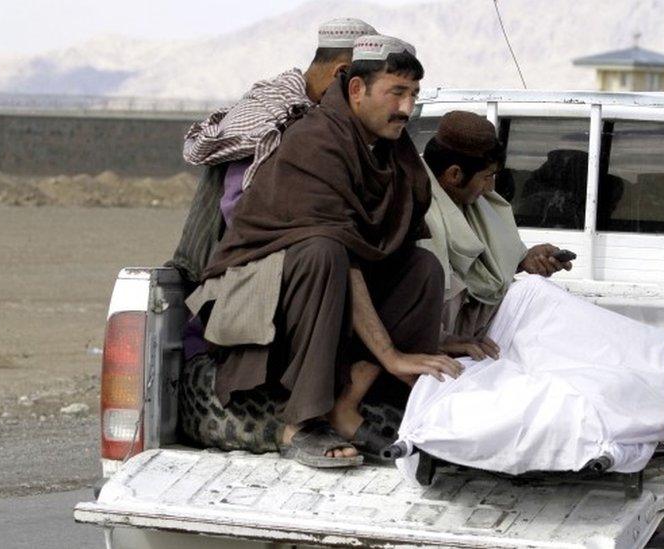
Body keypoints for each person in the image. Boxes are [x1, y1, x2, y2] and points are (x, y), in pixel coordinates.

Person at [185, 35, 461, 468]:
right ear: (357, 89)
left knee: (421, 267)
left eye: (413, 95)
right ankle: (301, 423)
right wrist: (389, 353)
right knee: (325, 251)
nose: (407, 108)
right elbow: (341, 253)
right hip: (258, 295)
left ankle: (348, 406)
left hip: (332, 284)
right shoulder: (314, 139)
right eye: (396, 92)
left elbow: (393, 240)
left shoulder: (392, 150)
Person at [169, 17, 378, 286]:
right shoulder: (272, 116)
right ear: (342, 73)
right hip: (239, 267)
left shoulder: (316, 114)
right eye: (359, 86)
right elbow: (239, 209)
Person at [418, 111, 574, 359]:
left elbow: (482, 267)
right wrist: (440, 341)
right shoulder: (417, 212)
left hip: (484, 331)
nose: (491, 187)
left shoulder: (470, 201)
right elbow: (424, 301)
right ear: (454, 174)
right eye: (487, 177)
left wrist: (523, 260)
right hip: (444, 344)